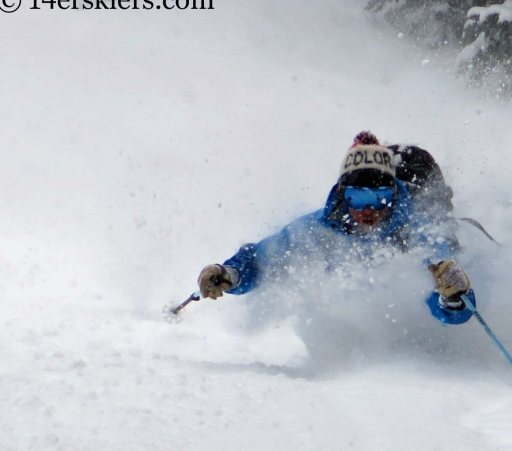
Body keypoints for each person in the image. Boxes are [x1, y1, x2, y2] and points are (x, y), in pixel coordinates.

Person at [196, 131, 475, 325]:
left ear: (394, 195)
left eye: (380, 199)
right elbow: (263, 260)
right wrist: (230, 273)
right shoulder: (320, 228)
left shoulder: (419, 232)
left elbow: (451, 302)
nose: (369, 210)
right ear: (343, 195)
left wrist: (453, 297)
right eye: (359, 198)